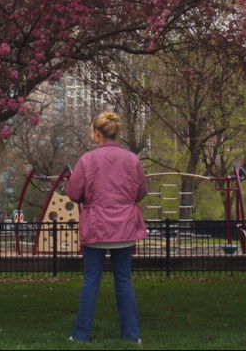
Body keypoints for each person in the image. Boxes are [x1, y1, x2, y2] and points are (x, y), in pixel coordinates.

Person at [66, 111, 147, 343]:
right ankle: (132, 336)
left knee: (91, 280)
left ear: (97, 133)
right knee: (124, 279)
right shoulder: (132, 159)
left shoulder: (87, 160)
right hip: (123, 228)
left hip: (97, 228)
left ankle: (81, 335)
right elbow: (141, 191)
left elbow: (73, 192)